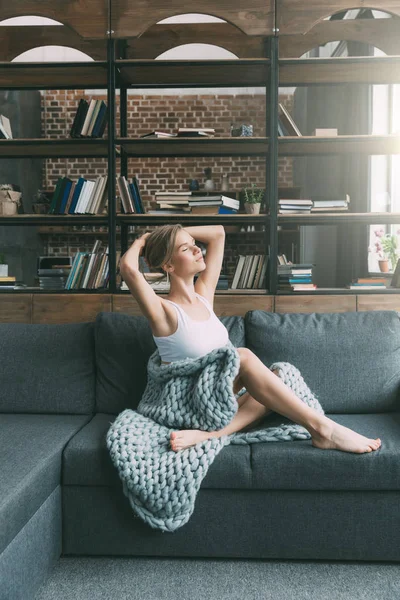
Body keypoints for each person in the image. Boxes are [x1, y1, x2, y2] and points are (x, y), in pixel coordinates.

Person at [119, 224, 382, 455]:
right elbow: (129, 268)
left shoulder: (203, 295)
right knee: (241, 356)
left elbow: (218, 233)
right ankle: (324, 430)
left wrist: (176, 234)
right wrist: (146, 239)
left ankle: (209, 436)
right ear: (168, 265)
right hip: (188, 402)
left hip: (218, 399)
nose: (198, 249)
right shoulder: (163, 311)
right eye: (186, 249)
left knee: (277, 379)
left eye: (194, 244)